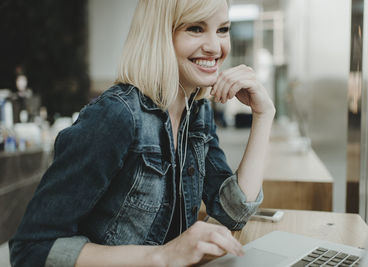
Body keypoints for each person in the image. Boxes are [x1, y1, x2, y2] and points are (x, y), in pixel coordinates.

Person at [9, 0, 275, 266]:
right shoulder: (117, 115)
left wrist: (264, 116)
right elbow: (31, 248)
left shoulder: (197, 112)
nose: (215, 47)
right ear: (160, 34)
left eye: (223, 29)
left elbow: (233, 212)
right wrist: (163, 255)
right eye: (195, 28)